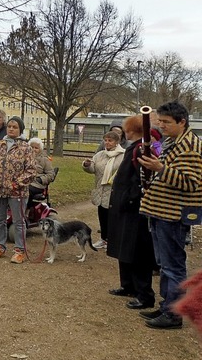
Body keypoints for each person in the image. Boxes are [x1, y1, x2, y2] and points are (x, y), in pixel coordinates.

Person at [138, 101, 202, 330]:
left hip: (173, 215)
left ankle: (174, 314)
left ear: (182, 122)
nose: (161, 126)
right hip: (161, 211)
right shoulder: (173, 142)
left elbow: (192, 183)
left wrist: (160, 169)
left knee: (173, 266)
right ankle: (167, 305)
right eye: (160, 121)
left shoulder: (190, 147)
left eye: (166, 122)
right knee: (164, 264)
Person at [107, 115, 156, 312]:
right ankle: (127, 285)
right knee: (124, 247)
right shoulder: (133, 147)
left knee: (137, 251)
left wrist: (129, 198)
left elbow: (141, 179)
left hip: (133, 208)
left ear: (131, 131)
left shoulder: (140, 149)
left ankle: (143, 294)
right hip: (123, 207)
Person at [0, 116, 36, 264]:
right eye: (9, 126)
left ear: (20, 129)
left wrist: (17, 184)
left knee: (18, 221)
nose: (11, 129)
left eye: (15, 127)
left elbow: (31, 171)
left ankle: (19, 250)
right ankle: (0, 246)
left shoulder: (25, 147)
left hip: (17, 192)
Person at [82, 131, 125, 249]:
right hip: (100, 189)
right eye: (105, 140)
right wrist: (87, 165)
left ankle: (114, 240)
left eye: (110, 140)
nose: (107, 143)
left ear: (117, 142)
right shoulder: (99, 155)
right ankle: (103, 239)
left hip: (114, 191)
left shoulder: (123, 155)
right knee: (102, 215)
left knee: (114, 217)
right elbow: (93, 169)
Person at [27, 137, 56, 208]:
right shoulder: (24, 157)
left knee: (25, 190)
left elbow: (51, 175)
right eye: (32, 147)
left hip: (37, 184)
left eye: (36, 148)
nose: (33, 149)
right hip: (25, 181)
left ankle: (24, 209)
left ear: (40, 149)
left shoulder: (45, 159)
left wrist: (40, 179)